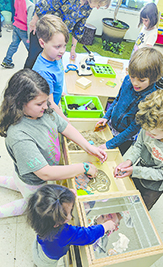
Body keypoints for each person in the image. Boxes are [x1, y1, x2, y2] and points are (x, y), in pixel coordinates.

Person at [0, 69, 107, 218]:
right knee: (29, 205)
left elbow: (64, 126)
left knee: (17, 182)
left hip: (25, 173)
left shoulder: (43, 111)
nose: (46, 106)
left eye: (46, 101)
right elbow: (45, 172)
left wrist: (88, 146)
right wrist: (83, 167)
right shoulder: (18, 136)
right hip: (33, 181)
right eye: (39, 103)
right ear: (20, 103)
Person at [114, 89, 163, 211]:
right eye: (145, 129)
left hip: (154, 187)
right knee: (131, 193)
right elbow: (139, 145)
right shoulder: (151, 125)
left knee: (141, 207)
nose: (147, 134)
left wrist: (135, 170)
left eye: (153, 134)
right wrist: (129, 161)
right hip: (138, 170)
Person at [96, 47, 163, 155]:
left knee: (114, 156)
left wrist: (110, 144)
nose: (135, 83)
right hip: (111, 125)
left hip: (125, 137)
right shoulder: (128, 80)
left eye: (141, 80)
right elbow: (117, 99)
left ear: (154, 79)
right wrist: (106, 116)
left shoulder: (150, 99)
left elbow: (133, 128)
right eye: (132, 77)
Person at [26, 184, 116, 266]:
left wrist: (66, 194)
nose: (72, 212)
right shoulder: (64, 233)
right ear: (57, 224)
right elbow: (87, 235)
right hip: (48, 260)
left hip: (40, 244)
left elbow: (52, 197)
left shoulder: (40, 218)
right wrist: (105, 226)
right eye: (70, 211)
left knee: (38, 254)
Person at [24, 0, 111, 68]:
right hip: (44, 30)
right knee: (33, 59)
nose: (98, 8)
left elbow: (79, 27)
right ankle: (23, 86)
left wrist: (73, 48)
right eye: (99, 5)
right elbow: (45, 5)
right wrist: (34, 21)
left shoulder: (88, 7)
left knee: (54, 63)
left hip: (59, 38)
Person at [32, 14, 69, 122]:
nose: (62, 51)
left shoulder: (55, 57)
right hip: (46, 113)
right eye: (58, 46)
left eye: (64, 45)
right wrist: (65, 120)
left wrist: (57, 90)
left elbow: (55, 78)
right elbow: (50, 103)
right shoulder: (43, 72)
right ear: (42, 43)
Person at [1, 0, 34, 68]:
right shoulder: (31, 6)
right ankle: (33, 65)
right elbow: (29, 22)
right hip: (24, 29)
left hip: (16, 25)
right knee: (31, 48)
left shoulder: (17, 0)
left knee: (13, 45)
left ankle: (6, 61)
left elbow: (15, 12)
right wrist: (29, 36)